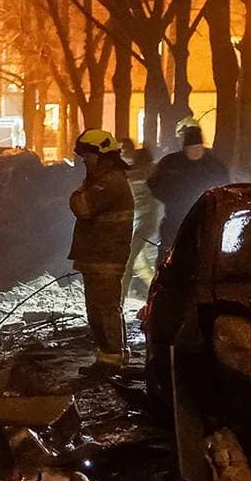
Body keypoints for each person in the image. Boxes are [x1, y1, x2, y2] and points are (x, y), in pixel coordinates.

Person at [69, 129, 135, 369]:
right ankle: (109, 354)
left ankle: (112, 357)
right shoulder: (102, 180)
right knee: (98, 307)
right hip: (98, 254)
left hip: (106, 255)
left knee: (104, 307)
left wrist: (77, 192)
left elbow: (83, 207)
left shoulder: (110, 182)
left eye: (87, 156)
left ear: (102, 155)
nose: (84, 161)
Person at [148, 118, 230, 260]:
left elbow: (225, 187)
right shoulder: (171, 163)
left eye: (199, 148)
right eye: (192, 149)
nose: (196, 152)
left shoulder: (214, 165)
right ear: (185, 148)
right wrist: (172, 198)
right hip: (175, 219)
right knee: (170, 254)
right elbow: (154, 183)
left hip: (206, 220)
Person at [122, 139, 161, 300]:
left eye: (124, 149)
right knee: (140, 264)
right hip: (140, 219)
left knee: (131, 258)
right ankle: (158, 292)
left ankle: (120, 297)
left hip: (148, 219)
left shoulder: (146, 169)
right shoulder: (134, 169)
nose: (122, 152)